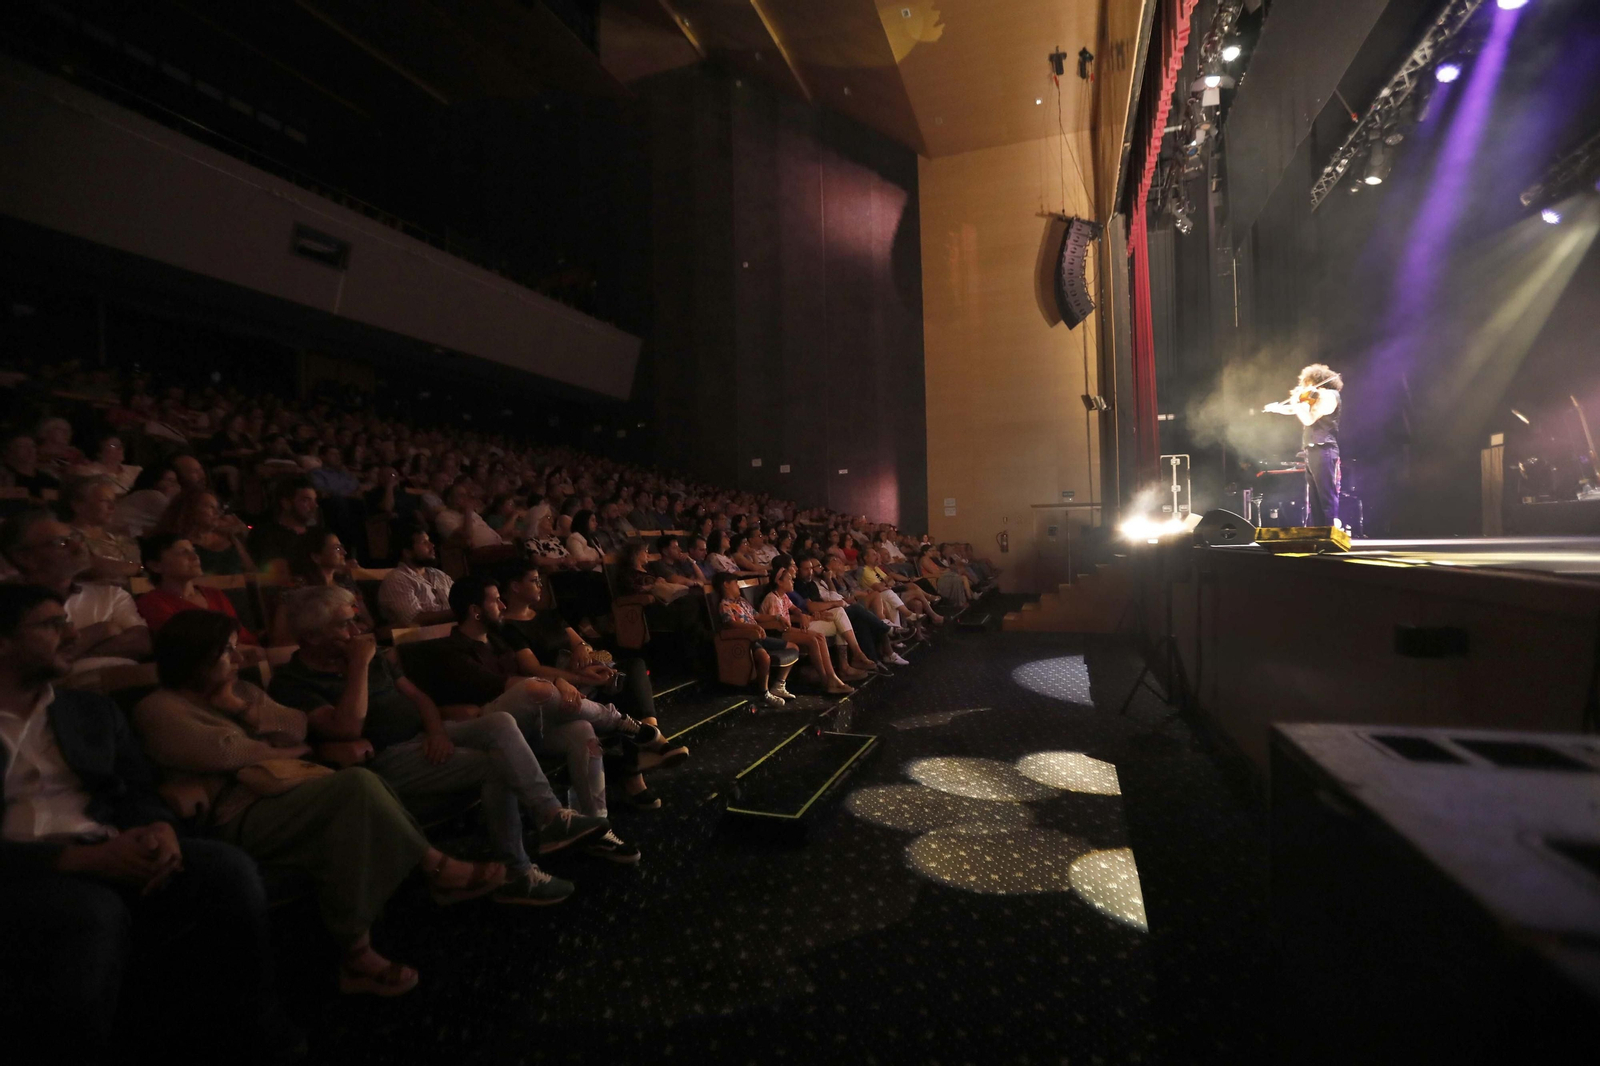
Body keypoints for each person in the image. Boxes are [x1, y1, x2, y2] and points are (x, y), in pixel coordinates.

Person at [133, 610, 518, 998]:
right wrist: (279, 748)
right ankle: (434, 866)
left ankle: (357, 954)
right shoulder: (161, 708)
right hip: (237, 815)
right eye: (226, 652)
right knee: (355, 786)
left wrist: (240, 708)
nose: (238, 660)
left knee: (351, 808)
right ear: (194, 658)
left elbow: (296, 727)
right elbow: (230, 753)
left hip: (292, 792)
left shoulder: (243, 693)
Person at [0, 585, 299, 1063]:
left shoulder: (88, 711)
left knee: (227, 868)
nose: (73, 633)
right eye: (50, 624)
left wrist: (159, 828)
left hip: (107, 837)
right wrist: (75, 857)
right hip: (28, 867)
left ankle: (255, 1031)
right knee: (92, 913)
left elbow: (136, 790)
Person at [268, 587, 604, 900]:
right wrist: (358, 665)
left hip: (424, 737)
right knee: (496, 763)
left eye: (355, 621)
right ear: (311, 636)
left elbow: (419, 698)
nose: (357, 632)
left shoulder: (367, 658)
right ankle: (518, 871)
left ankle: (551, 816)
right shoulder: (293, 682)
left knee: (500, 722)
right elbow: (347, 726)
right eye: (344, 625)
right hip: (383, 760)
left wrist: (436, 732)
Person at [408, 577, 666, 849]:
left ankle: (598, 827)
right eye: (496, 600)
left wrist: (572, 678)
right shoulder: (452, 650)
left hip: (525, 723)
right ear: (475, 611)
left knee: (582, 731)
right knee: (536, 688)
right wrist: (557, 683)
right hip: (484, 722)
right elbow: (505, 685)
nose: (503, 605)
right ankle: (619, 721)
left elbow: (529, 675)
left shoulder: (498, 641)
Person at [0, 509, 151, 670]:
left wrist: (61, 661)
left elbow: (143, 643)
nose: (80, 547)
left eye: (77, 537)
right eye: (62, 543)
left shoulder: (111, 594)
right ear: (25, 558)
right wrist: (102, 630)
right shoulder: (7, 606)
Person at [135, 533, 261, 648]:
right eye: (183, 553)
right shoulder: (152, 603)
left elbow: (241, 635)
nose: (195, 557)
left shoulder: (214, 594)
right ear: (156, 566)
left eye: (193, 551)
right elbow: (188, 647)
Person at [1264, 363, 1344, 528]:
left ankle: (1329, 531)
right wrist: (1278, 409)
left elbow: (1308, 418)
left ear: (1315, 380)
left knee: (1326, 495)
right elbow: (1299, 410)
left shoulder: (1330, 395)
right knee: (1314, 497)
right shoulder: (1317, 396)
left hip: (1324, 449)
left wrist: (1296, 402)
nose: (1304, 388)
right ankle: (1318, 532)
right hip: (1313, 450)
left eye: (1306, 383)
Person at [758, 569, 856, 696]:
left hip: (785, 629)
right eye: (788, 579)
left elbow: (795, 609)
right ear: (779, 582)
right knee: (812, 639)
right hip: (776, 633)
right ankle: (825, 679)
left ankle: (832, 676)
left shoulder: (783, 596)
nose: (792, 581)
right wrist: (801, 630)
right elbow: (777, 626)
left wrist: (803, 615)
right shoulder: (772, 598)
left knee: (819, 636)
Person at [267, 530, 372, 645]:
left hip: (354, 642)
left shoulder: (345, 584)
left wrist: (359, 626)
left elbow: (366, 620)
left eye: (342, 547)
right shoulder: (296, 587)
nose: (344, 552)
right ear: (316, 557)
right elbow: (280, 635)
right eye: (337, 548)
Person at [712, 572, 796, 707]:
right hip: (746, 638)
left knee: (793, 647)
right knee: (764, 657)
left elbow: (757, 616)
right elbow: (730, 624)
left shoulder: (742, 601)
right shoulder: (725, 604)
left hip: (758, 634)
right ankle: (764, 692)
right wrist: (752, 629)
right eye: (735, 583)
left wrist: (777, 618)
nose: (738, 587)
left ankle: (779, 684)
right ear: (726, 585)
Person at [153, 488, 255, 575]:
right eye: (210, 507)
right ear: (190, 510)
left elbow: (251, 571)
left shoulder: (229, 537)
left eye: (217, 508)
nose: (217, 513)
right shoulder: (174, 543)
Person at [63, 475, 143, 584]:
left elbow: (142, 584)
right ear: (78, 505)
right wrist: (132, 568)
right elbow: (81, 566)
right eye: (104, 501)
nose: (112, 507)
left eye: (114, 501)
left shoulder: (122, 541)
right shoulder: (64, 537)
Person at [377, 527, 455, 627]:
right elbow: (415, 620)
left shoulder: (439, 575)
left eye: (429, 541)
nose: (432, 545)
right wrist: (457, 613)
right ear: (407, 553)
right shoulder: (397, 579)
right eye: (424, 542)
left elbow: (459, 599)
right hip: (422, 639)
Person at [247, 475, 321, 575]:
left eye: (314, 500)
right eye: (306, 500)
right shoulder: (265, 534)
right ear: (286, 503)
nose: (314, 506)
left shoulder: (318, 535)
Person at [114, 462, 182, 538]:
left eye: (175, 482)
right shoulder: (152, 496)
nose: (175, 485)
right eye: (170, 480)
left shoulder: (140, 495)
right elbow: (177, 521)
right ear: (155, 481)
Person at [435, 478, 503, 550]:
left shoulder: (471, 512)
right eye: (461, 495)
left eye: (466, 495)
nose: (466, 498)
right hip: (480, 553)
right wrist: (468, 512)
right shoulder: (444, 517)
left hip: (498, 546)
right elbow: (467, 536)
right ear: (449, 498)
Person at [69, 434, 141, 495]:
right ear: (99, 452)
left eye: (121, 445)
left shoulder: (136, 470)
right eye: (113, 445)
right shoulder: (88, 472)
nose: (120, 448)